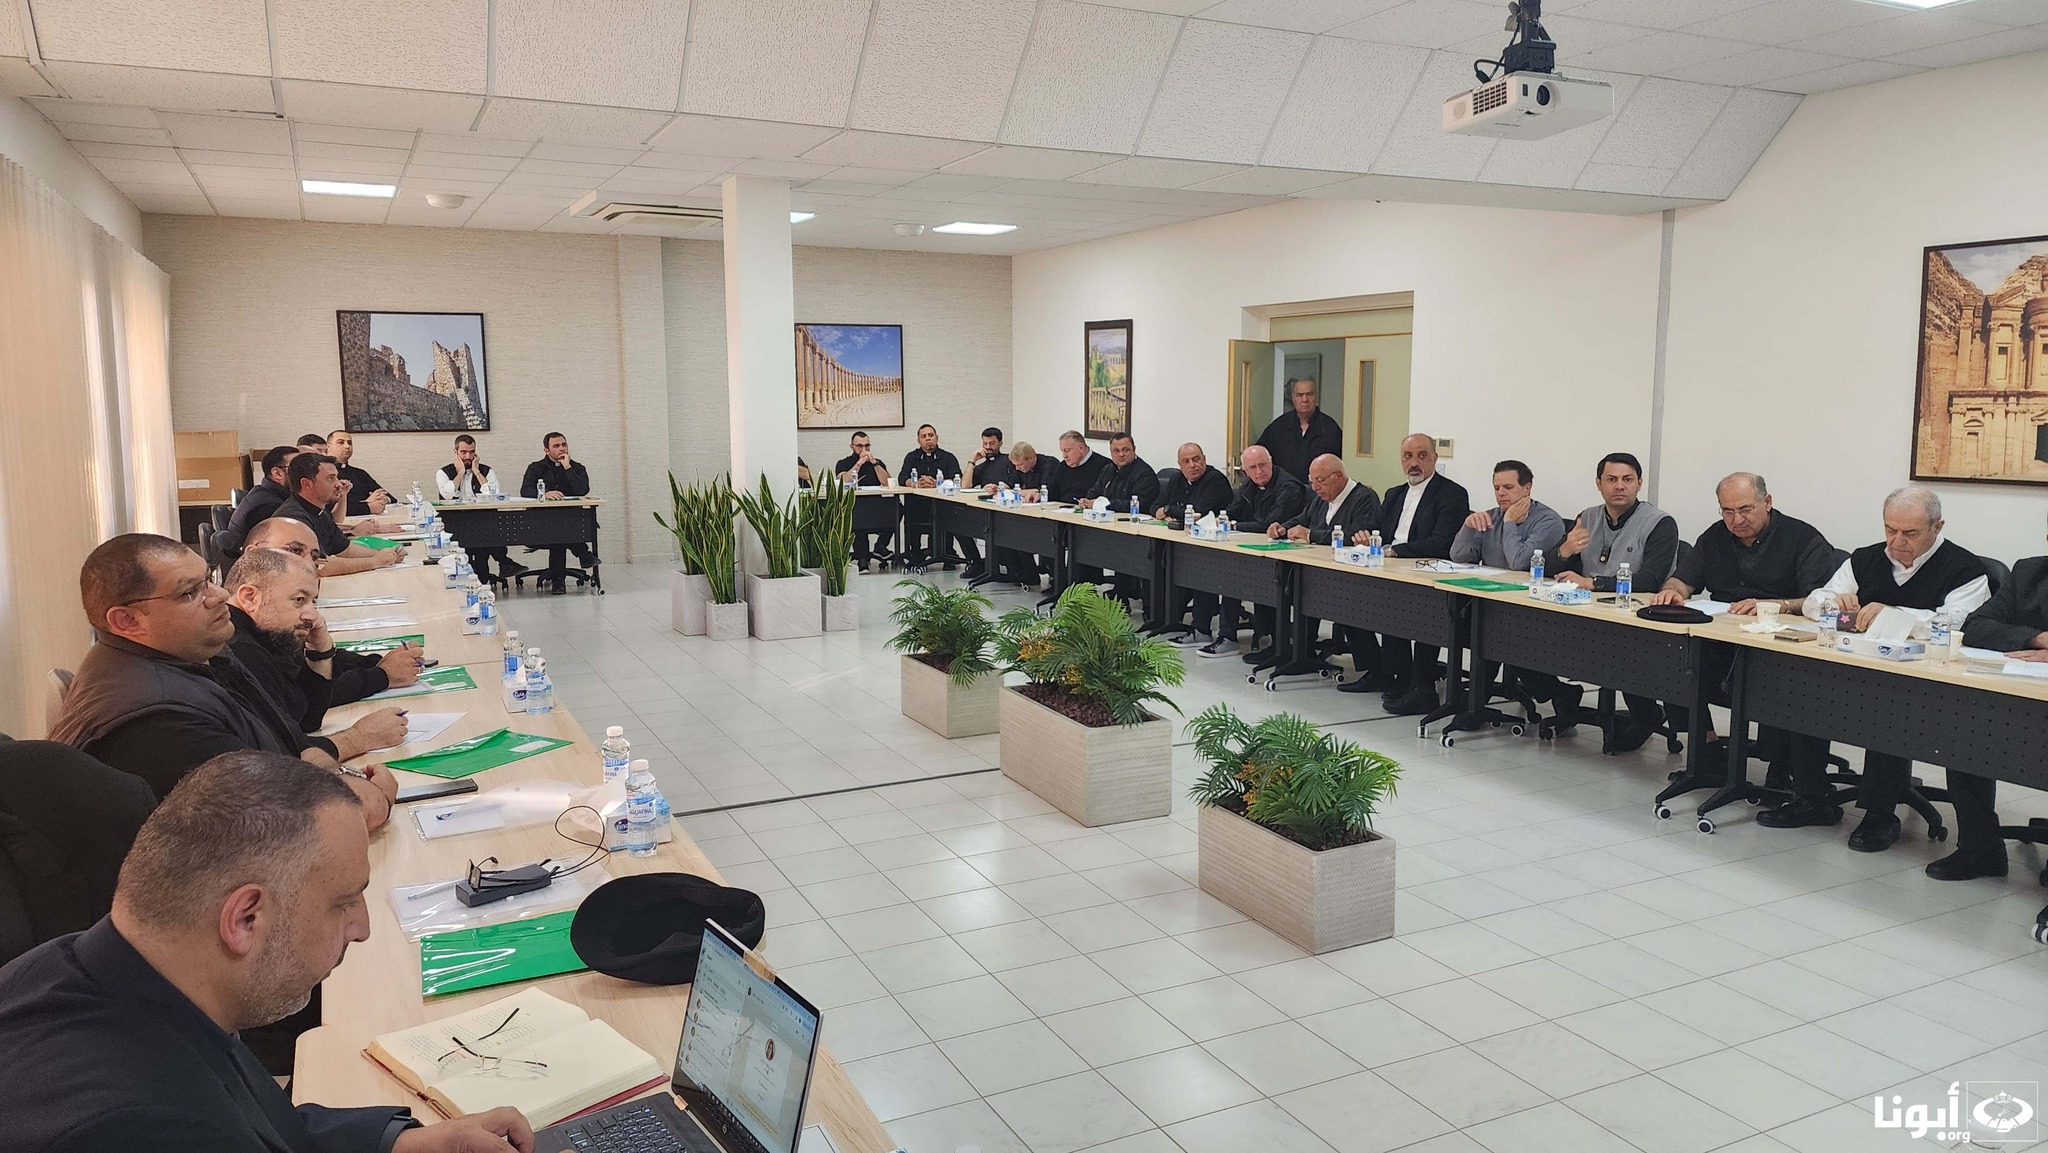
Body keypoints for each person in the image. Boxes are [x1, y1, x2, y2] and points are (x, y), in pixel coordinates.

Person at [0, 750, 536, 1153]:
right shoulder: (139, 1126)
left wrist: (402, 1143)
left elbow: (262, 1125)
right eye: (343, 903)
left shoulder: (88, 969)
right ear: (245, 919)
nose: (362, 929)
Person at [47, 534, 396, 827]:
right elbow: (279, 825)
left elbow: (291, 746)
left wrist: (339, 778)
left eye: (209, 579)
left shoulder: (200, 652)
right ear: (126, 621)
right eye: (189, 592)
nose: (220, 596)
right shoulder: (159, 719)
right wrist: (370, 798)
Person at [1795, 487, 1990, 853]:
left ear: (1937, 526)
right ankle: (1811, 797)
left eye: (1910, 533)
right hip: (1859, 665)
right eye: (1890, 529)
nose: (1897, 541)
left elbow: (1960, 623)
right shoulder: (1866, 558)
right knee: (1806, 689)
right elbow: (1813, 602)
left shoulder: (1965, 568)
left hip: (1928, 682)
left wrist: (1896, 615)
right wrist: (1833, 604)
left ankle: (1880, 815)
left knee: (1889, 706)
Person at [1652, 473, 1840, 828]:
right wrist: (1673, 590)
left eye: (1745, 510)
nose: (1736, 520)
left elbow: (1819, 601)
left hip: (1780, 646)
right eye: (1727, 511)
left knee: (1788, 684)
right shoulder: (1715, 537)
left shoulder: (1802, 539)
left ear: (1767, 503)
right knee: (1674, 658)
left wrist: (1777, 605)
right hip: (1725, 637)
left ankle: (1790, 775)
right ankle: (1708, 751)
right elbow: (1684, 578)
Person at [1541, 451, 1680, 743]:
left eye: (1627, 479)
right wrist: (1565, 551)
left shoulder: (1660, 523)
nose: (1619, 486)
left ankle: (1647, 716)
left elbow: (1650, 581)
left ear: (1639, 483)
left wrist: (1593, 583)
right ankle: (1562, 695)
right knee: (1527, 635)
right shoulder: (1587, 518)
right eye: (1612, 479)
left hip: (1634, 621)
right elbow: (1551, 571)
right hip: (1585, 613)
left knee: (1624, 654)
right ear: (1599, 484)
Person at [223, 549, 413, 758]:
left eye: (312, 601)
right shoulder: (242, 651)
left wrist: (320, 651)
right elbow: (284, 753)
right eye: (299, 600)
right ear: (250, 597)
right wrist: (359, 738)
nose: (312, 615)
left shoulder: (263, 635)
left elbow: (306, 719)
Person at [241, 518, 424, 713]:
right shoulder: (240, 645)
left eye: (314, 556)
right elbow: (300, 701)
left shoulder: (268, 614)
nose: (308, 564)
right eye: (294, 551)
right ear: (254, 555)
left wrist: (375, 663)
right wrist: (381, 675)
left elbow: (306, 671)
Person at [1947, 557, 2048, 880]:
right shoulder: (2030, 572)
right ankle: (1980, 850)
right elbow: (1976, 627)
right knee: (1967, 725)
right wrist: (2037, 638)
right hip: (2024, 692)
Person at [1444, 460, 1567, 702]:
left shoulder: (1548, 521)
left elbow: (1518, 562)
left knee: (1495, 634)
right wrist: (1468, 527)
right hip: (1492, 600)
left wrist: (1510, 522)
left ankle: (1476, 700)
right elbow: (1459, 557)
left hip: (1530, 605)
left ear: (1527, 488)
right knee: (1468, 624)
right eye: (1496, 488)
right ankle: (1475, 700)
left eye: (1508, 487)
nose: (1501, 493)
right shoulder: (1491, 516)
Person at [1371, 434, 1472, 715]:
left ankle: (1422, 687)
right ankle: (1398, 678)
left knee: (1424, 616)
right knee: (1379, 604)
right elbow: (1381, 532)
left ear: (1434, 459)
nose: (1414, 462)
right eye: (1407, 456)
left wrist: (1395, 551)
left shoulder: (1452, 493)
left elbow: (1442, 542)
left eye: (1422, 455)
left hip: (1430, 572)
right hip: (1391, 568)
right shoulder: (1393, 494)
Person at [1271, 455, 1381, 681]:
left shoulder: (1364, 498)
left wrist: (1311, 535)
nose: (1315, 487)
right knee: (1300, 587)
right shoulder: (1321, 499)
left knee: (1342, 601)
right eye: (1311, 481)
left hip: (1353, 575)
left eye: (1320, 480)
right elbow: (1303, 519)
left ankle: (1373, 668)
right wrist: (1282, 528)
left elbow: (1357, 537)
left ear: (1338, 476)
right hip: (1318, 569)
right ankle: (1301, 651)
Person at [1217, 446, 1307, 659]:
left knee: (1247, 577)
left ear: (1271, 462)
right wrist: (1222, 520)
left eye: (1263, 465)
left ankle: (1272, 638)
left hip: (1285, 556)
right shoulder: (1249, 485)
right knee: (1229, 574)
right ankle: (1229, 636)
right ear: (1245, 470)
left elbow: (1269, 524)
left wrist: (1234, 525)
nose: (1259, 471)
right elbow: (1232, 511)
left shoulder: (1289, 487)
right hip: (1256, 551)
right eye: (1253, 467)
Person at [275, 454, 402, 577]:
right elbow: (320, 566)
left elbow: (345, 549)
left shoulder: (319, 510)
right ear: (306, 484)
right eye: (330, 478)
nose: (338, 484)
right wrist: (374, 562)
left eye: (336, 477)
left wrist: (386, 554)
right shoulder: (293, 519)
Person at [436, 434, 529, 581]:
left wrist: (477, 472)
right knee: (481, 531)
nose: (468, 456)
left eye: (472, 452)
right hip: (455, 521)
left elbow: (494, 494)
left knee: (485, 525)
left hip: (481, 520)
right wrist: (461, 472)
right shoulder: (443, 472)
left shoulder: (486, 471)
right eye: (463, 452)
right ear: (455, 452)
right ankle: (503, 561)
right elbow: (447, 495)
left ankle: (492, 569)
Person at [521, 432, 599, 594]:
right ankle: (582, 554)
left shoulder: (576, 467)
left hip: (570, 522)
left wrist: (567, 467)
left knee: (560, 532)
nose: (562, 448)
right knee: (558, 532)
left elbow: (582, 490)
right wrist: (544, 494)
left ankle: (559, 580)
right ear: (546, 450)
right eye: (556, 446)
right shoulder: (536, 468)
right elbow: (525, 490)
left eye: (564, 444)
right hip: (542, 523)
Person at [978, 442, 1057, 589]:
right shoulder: (1018, 467)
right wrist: (999, 488)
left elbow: (1044, 491)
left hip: (1048, 516)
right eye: (1015, 465)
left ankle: (1050, 576)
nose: (1017, 468)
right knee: (1007, 531)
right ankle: (1020, 572)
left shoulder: (1049, 465)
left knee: (1023, 535)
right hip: (1027, 512)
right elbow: (1012, 485)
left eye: (1020, 465)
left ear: (1031, 458)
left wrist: (1021, 492)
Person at [1255, 377, 1343, 490]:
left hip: (1319, 492)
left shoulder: (1330, 428)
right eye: (1299, 395)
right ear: (1293, 398)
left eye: (1309, 394)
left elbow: (1340, 465)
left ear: (1316, 397)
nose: (1305, 399)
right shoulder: (1278, 427)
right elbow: (1260, 456)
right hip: (1284, 491)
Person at [897, 425, 964, 568]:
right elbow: (902, 478)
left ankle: (947, 553)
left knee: (947, 515)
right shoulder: (912, 457)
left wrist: (938, 483)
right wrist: (915, 483)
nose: (928, 439)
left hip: (942, 507)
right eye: (924, 436)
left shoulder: (947, 457)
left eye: (931, 435)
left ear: (937, 438)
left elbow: (958, 479)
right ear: (918, 441)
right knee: (912, 513)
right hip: (918, 507)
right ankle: (915, 554)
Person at [217, 445, 297, 554]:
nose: (305, 471)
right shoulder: (270, 505)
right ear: (278, 473)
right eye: (297, 466)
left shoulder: (263, 492)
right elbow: (279, 549)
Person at [835, 432, 894, 570]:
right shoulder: (843, 463)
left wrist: (874, 463)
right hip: (855, 504)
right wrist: (859, 463)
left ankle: (881, 545)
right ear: (851, 446)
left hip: (876, 504)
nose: (864, 449)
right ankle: (862, 558)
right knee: (858, 513)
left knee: (897, 508)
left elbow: (887, 482)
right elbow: (843, 481)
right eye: (859, 446)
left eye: (867, 446)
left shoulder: (877, 463)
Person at [961, 429, 1008, 580]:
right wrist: (972, 460)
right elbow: (965, 486)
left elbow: (1017, 484)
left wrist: (999, 488)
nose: (988, 447)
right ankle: (976, 563)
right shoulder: (981, 467)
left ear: (1000, 443)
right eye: (985, 443)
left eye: (992, 443)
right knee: (958, 524)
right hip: (984, 509)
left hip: (1004, 510)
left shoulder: (1009, 461)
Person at [327, 430, 389, 519]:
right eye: (341, 442)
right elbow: (329, 508)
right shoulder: (326, 474)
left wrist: (383, 498)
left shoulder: (360, 473)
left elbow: (387, 495)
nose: (347, 446)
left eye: (349, 443)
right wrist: (366, 504)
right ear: (329, 446)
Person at [1049, 431, 1109, 505]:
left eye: (1067, 450)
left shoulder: (1105, 466)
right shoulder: (1063, 466)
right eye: (1062, 451)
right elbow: (1051, 492)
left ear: (1081, 448)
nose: (1064, 456)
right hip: (1062, 509)